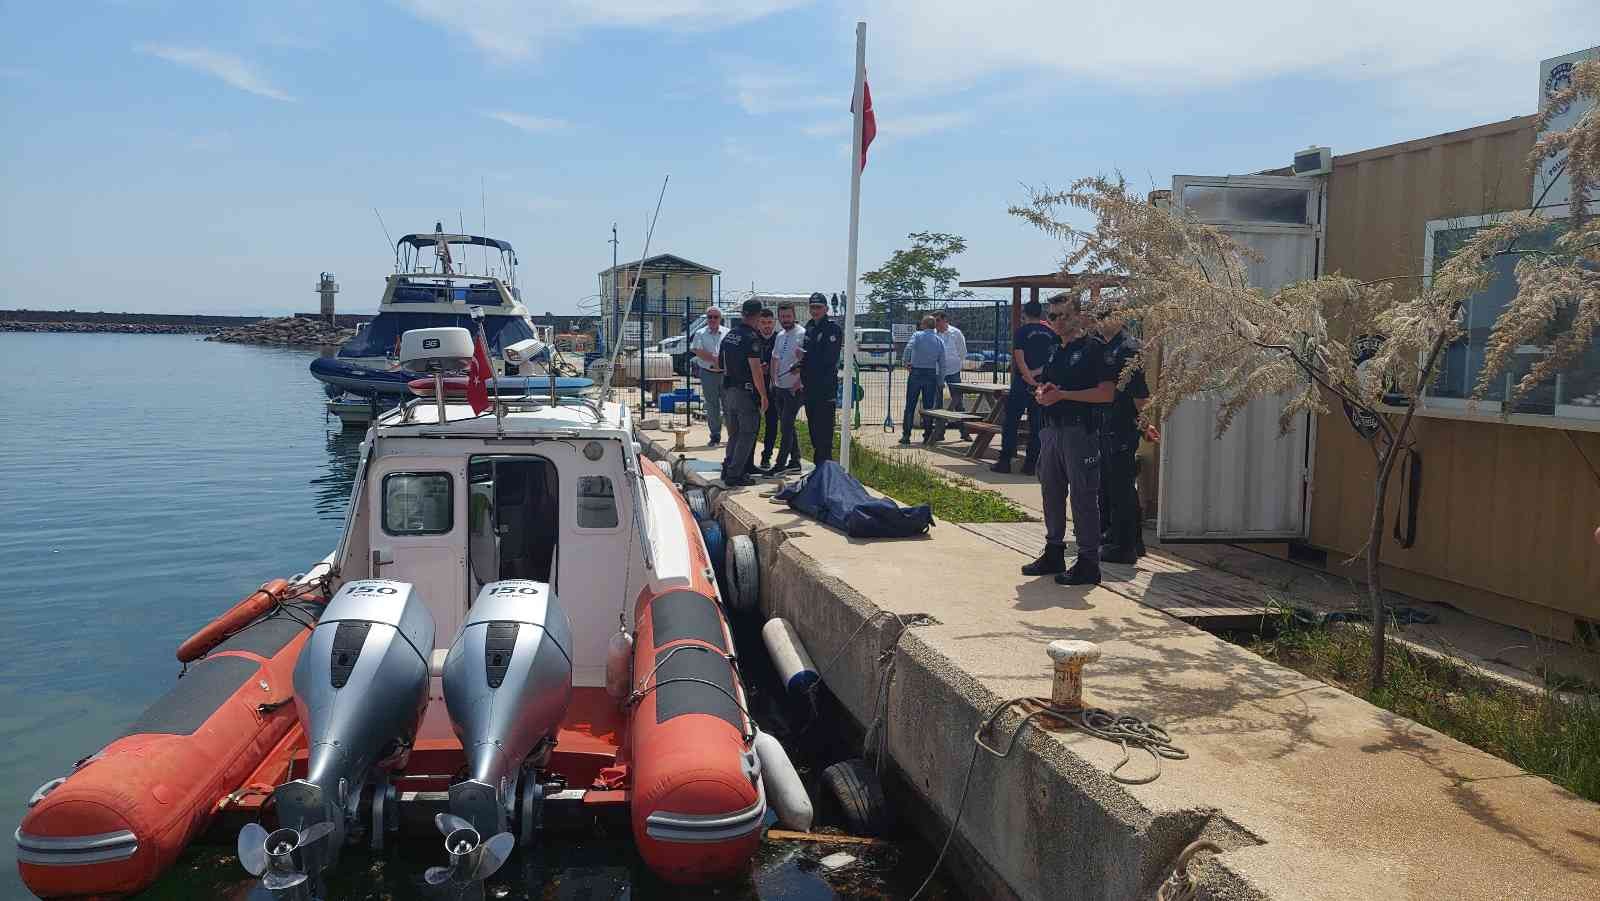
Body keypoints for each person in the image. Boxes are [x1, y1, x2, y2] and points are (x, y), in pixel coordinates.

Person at [1024, 294, 1117, 586]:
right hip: (1052, 430)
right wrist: (1044, 393)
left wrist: (1064, 395)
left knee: (1083, 497)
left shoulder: (1094, 349)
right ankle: (1054, 551)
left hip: (1081, 432)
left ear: (1079, 316)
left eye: (1064, 315)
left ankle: (1089, 561)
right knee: (1051, 493)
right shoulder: (1055, 350)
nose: (1058, 321)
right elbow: (1047, 384)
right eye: (1053, 316)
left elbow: (1106, 393)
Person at [1096, 311, 1156, 563]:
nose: (1102, 322)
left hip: (1121, 425)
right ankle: (1127, 540)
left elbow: (1139, 394)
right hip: (1105, 424)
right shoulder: (1105, 347)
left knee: (1121, 488)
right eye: (1098, 317)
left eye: (1107, 316)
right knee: (1110, 487)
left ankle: (1124, 547)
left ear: (1121, 319)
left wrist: (1145, 424)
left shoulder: (1128, 348)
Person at [993, 299, 1056, 475]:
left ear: (1024, 314)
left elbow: (1019, 358)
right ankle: (1030, 464)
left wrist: (1028, 377)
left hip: (1022, 383)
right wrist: (1037, 376)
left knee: (1011, 422)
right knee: (1036, 425)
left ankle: (1005, 461)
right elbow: (1053, 359)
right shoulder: (1050, 332)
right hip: (1042, 383)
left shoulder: (1022, 332)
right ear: (1042, 314)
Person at [718, 298, 770, 487]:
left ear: (742, 313)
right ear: (757, 316)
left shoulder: (730, 335)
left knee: (734, 434)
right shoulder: (751, 338)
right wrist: (763, 395)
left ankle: (727, 468)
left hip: (729, 390)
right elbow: (756, 370)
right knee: (747, 434)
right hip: (745, 392)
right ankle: (735, 474)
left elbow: (719, 364)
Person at [798, 292, 843, 462]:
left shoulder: (833, 329)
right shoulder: (809, 327)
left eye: (818, 307)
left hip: (825, 388)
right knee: (814, 432)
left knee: (825, 434)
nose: (815, 310)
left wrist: (805, 357)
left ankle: (825, 470)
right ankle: (819, 470)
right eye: (812, 307)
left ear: (826, 308)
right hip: (809, 388)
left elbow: (828, 359)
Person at [768, 302, 807, 474]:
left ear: (794, 315)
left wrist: (799, 382)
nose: (786, 320)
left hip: (795, 388)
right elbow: (775, 358)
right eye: (782, 317)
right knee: (787, 425)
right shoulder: (780, 335)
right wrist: (773, 379)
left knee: (786, 426)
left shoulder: (802, 333)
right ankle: (795, 462)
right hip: (780, 387)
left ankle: (780, 464)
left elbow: (807, 360)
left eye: (788, 316)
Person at [898, 315, 945, 445]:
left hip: (916, 372)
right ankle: (927, 435)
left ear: (923, 325)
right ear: (934, 326)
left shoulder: (917, 335)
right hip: (931, 374)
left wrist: (905, 362)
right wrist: (941, 381)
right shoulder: (939, 340)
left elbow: (908, 348)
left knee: (910, 405)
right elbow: (942, 363)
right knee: (928, 407)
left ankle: (906, 436)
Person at [747, 309, 779, 474]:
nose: (766, 326)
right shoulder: (753, 338)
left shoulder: (778, 338)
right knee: (753, 424)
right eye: (763, 323)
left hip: (773, 387)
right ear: (758, 323)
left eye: (769, 323)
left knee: (772, 423)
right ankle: (748, 459)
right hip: (755, 387)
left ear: (773, 323)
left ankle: (766, 456)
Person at [689, 307, 726, 447]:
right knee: (712, 406)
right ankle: (715, 435)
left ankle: (733, 435)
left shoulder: (727, 333)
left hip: (724, 373)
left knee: (729, 405)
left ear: (720, 318)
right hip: (708, 373)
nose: (712, 320)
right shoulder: (700, 333)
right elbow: (697, 351)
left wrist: (719, 361)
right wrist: (714, 359)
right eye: (709, 317)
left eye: (715, 317)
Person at [934, 311, 967, 412]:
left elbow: (962, 351)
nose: (936, 323)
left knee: (957, 398)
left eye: (938, 320)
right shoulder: (933, 334)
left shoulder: (956, 333)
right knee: (937, 399)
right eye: (934, 321)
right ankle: (939, 425)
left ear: (945, 320)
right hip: (937, 371)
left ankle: (961, 424)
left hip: (953, 370)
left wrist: (957, 363)